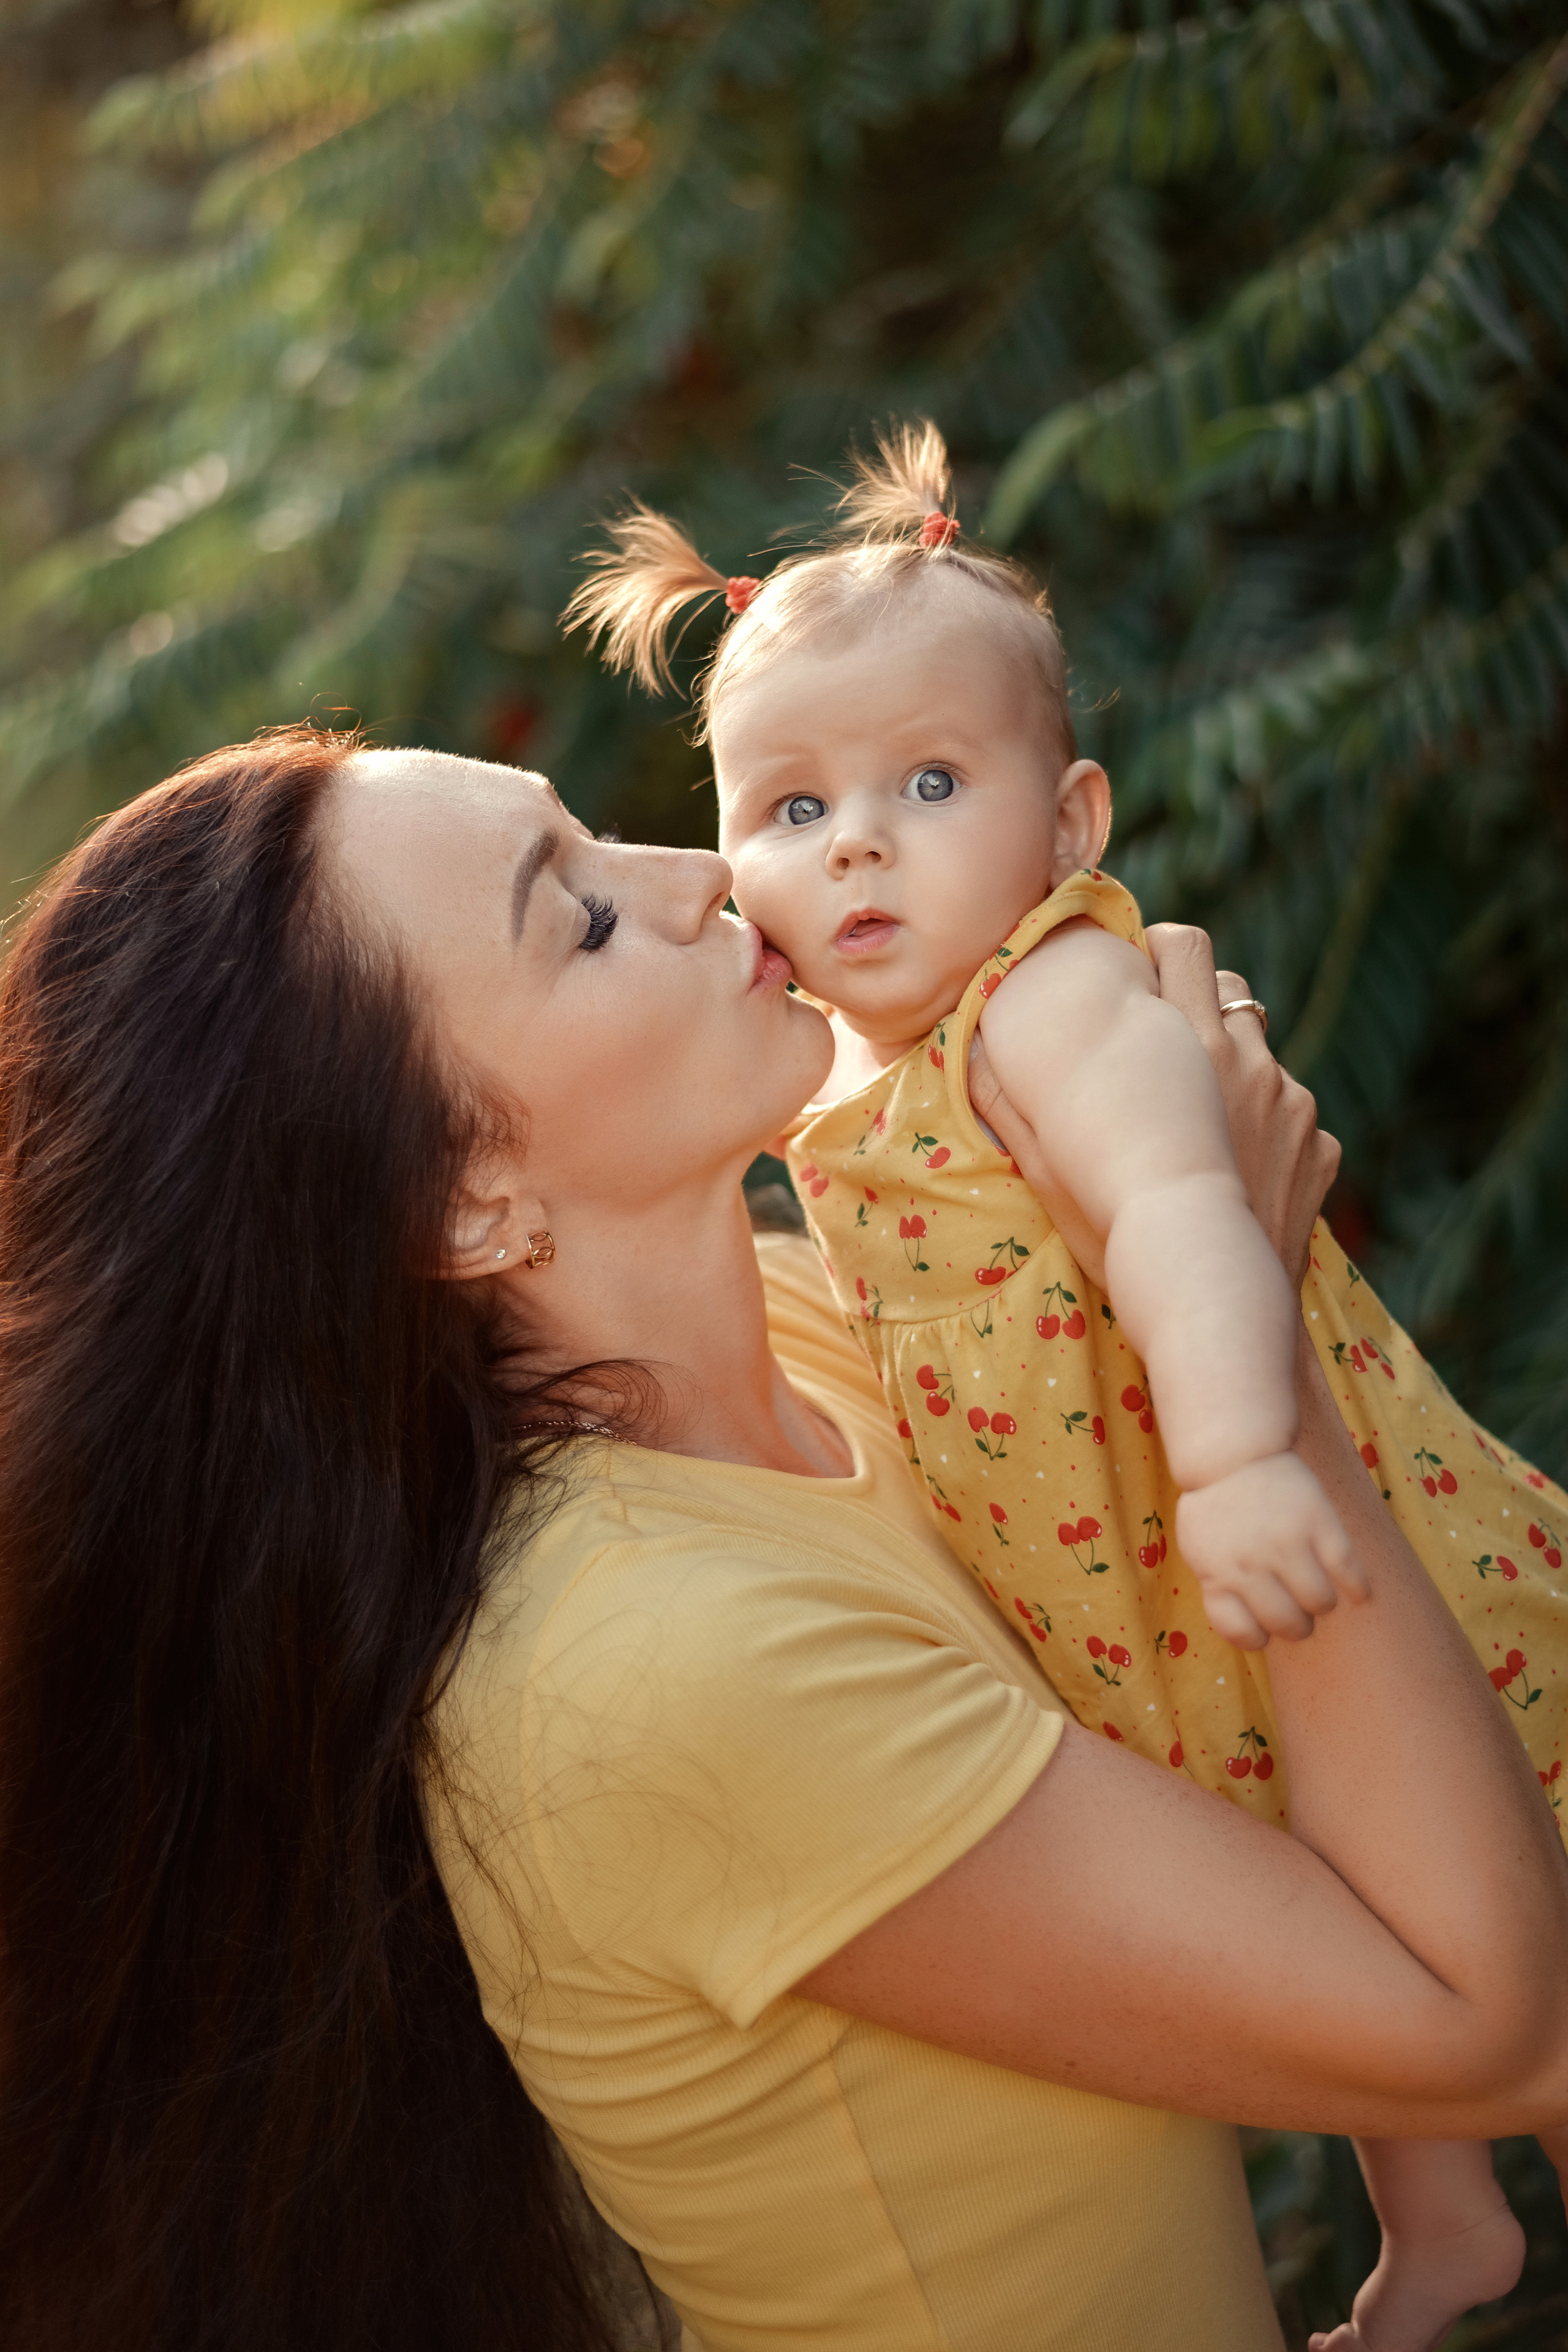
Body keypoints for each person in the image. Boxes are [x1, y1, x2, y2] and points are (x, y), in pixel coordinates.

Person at [2, 729, 1567, 2352]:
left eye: (600, 834)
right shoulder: (646, 1671)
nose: (704, 879)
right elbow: (1492, 2027)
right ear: (464, 1203)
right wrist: (1252, 1345)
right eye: (585, 918)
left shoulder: (832, 1332)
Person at [564, 423, 1568, 2350]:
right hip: (1147, 1619)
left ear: (1074, 822)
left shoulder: (1050, 1000)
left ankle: (1470, 2200)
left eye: (929, 783)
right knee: (1340, 1887)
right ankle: (1444, 2224)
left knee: (1470, 1857)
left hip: (1251, 1515)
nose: (854, 842)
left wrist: (1249, 1457)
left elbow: (1195, 1205)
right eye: (787, 810)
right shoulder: (846, 1085)